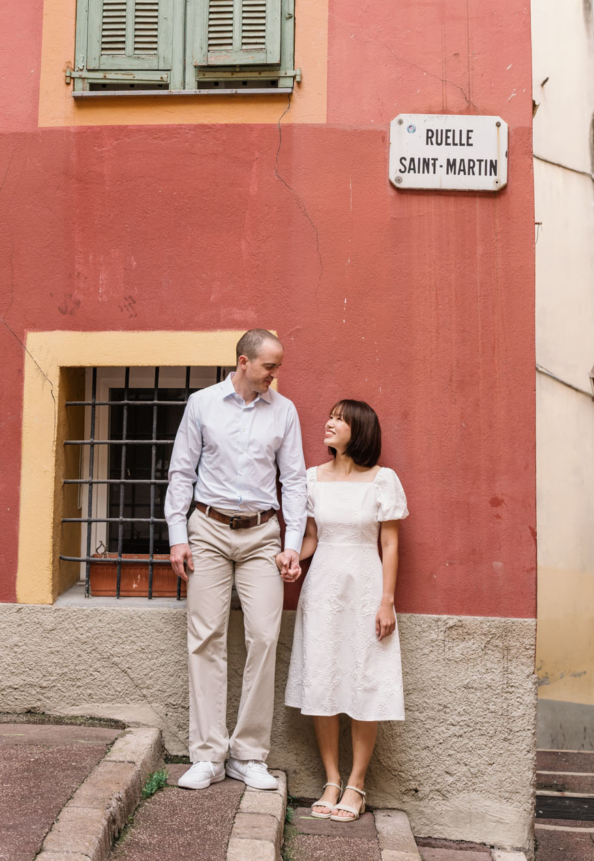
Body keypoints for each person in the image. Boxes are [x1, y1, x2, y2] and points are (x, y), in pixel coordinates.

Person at [165, 329, 307, 791]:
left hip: (262, 536)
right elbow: (181, 472)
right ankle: (207, 754)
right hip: (206, 529)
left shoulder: (284, 412)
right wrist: (177, 535)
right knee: (206, 638)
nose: (275, 374)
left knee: (265, 637)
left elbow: (295, 481)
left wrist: (292, 542)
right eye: (269, 366)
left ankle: (248, 755)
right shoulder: (202, 404)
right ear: (244, 362)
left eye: (278, 366)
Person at [283, 398, 408, 823]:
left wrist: (387, 600)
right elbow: (313, 539)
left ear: (360, 429)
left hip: (367, 587)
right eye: (330, 415)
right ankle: (331, 780)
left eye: (338, 418)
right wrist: (292, 559)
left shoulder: (383, 480)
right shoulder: (312, 479)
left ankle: (357, 784)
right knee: (322, 677)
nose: (329, 422)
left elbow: (389, 543)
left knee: (364, 680)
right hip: (322, 589)